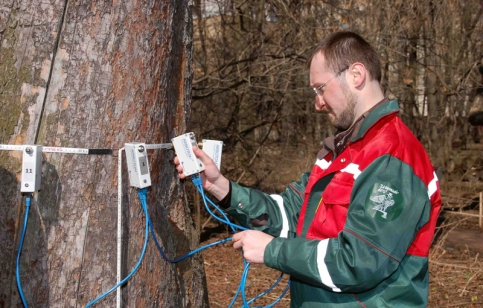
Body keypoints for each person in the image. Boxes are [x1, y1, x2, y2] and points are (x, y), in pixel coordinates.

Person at [175, 31, 442, 307]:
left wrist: (272, 250)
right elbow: (290, 214)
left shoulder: (392, 155)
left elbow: (360, 261)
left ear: (356, 75)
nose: (317, 103)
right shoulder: (343, 152)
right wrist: (219, 186)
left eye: (320, 88)